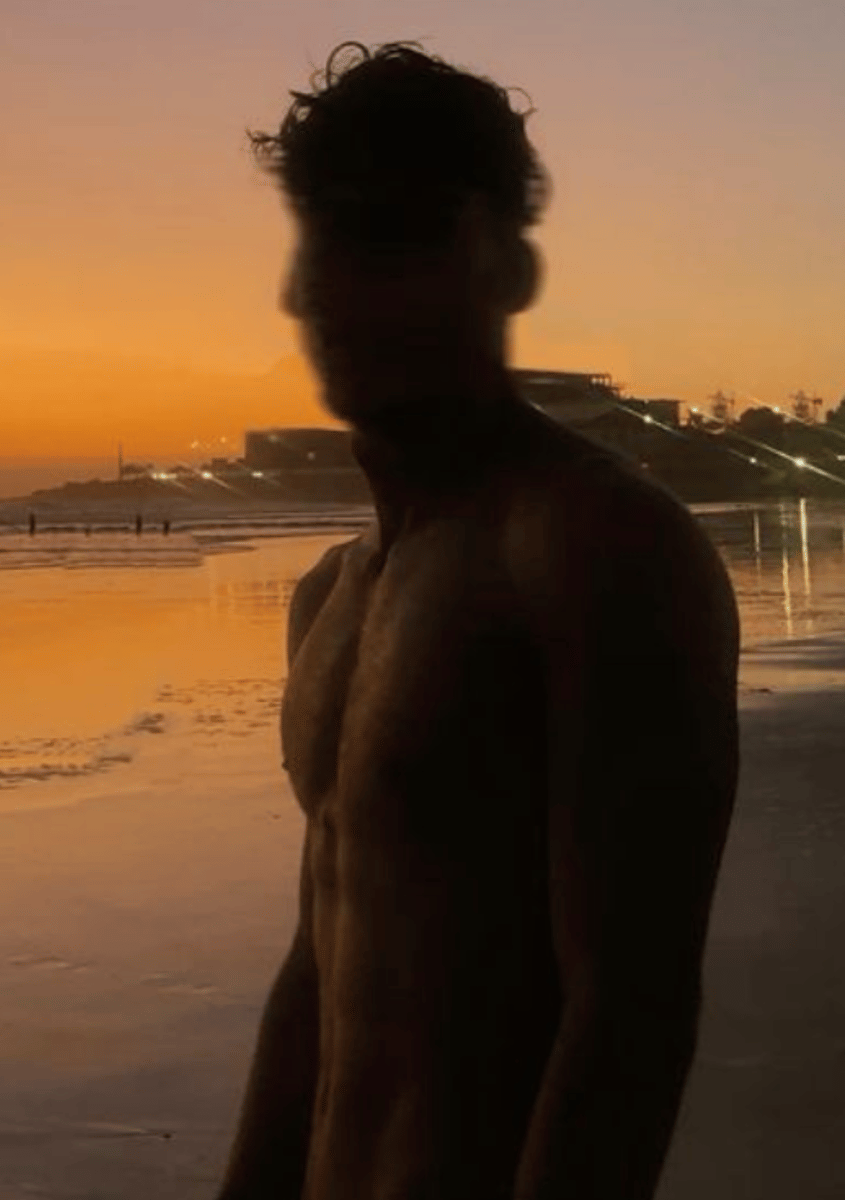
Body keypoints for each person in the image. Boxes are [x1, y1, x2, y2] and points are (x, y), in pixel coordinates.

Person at [216, 41, 740, 1200]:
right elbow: (317, 972)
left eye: (400, 235)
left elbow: (629, 1011)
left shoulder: (592, 548)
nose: (351, 286)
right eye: (332, 239)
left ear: (505, 263)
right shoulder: (327, 598)